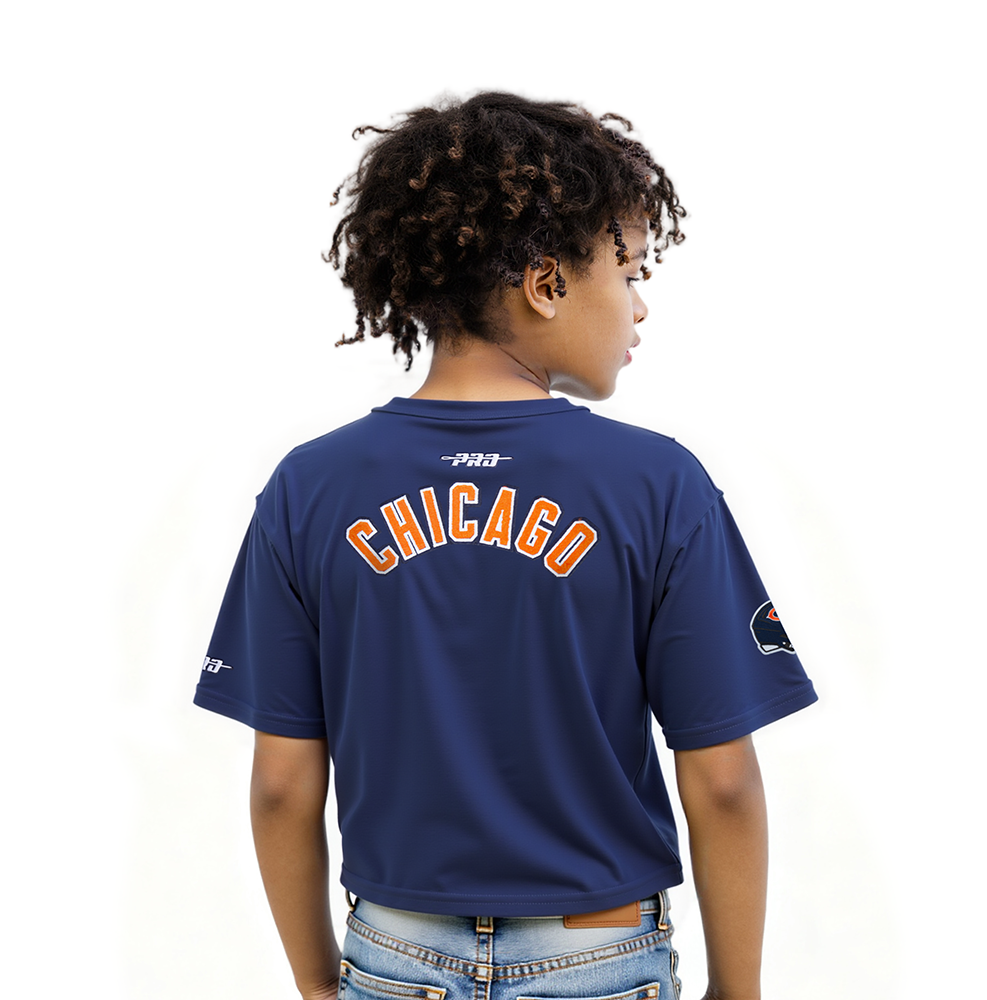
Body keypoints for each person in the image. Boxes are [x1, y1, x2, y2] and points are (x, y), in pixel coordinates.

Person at [195, 91, 817, 1000]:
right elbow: (722, 783)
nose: (640, 306)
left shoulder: (309, 486)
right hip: (599, 955)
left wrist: (323, 986)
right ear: (546, 283)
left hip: (395, 952)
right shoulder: (657, 484)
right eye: (629, 271)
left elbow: (282, 786)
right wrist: (739, 992)